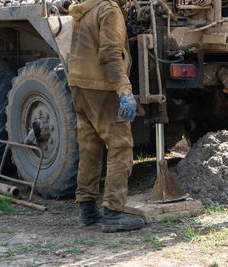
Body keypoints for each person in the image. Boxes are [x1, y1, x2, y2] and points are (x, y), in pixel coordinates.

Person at [68, 0, 144, 232]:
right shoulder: (109, 10)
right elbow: (110, 55)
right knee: (120, 145)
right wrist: (124, 91)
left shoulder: (84, 9)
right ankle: (113, 212)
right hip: (102, 88)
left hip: (79, 85)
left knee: (89, 148)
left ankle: (87, 210)